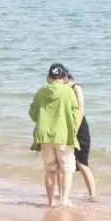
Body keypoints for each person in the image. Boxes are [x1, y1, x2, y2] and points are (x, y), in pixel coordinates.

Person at [29, 63, 80, 207]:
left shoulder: (40, 92)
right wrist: (73, 129)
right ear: (63, 77)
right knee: (67, 168)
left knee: (50, 170)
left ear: (49, 76)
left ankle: (51, 201)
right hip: (64, 136)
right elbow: (75, 113)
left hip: (45, 137)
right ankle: (64, 199)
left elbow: (32, 114)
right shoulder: (68, 92)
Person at [67, 71, 96, 200]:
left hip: (79, 129)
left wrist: (75, 129)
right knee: (64, 164)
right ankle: (63, 194)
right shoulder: (59, 90)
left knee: (82, 163)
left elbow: (81, 109)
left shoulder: (76, 87)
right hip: (66, 129)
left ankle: (92, 196)